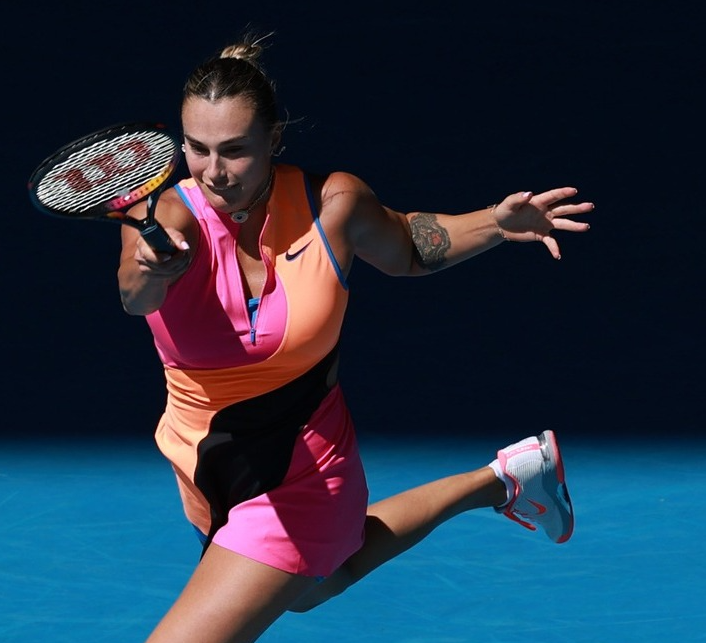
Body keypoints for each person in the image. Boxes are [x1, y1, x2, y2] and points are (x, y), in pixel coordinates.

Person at [116, 33, 593, 643]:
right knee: (314, 588)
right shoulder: (167, 218)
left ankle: (499, 483)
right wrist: (152, 268)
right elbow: (135, 295)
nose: (214, 172)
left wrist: (496, 225)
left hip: (306, 469)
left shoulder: (334, 204)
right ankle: (504, 480)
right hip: (204, 465)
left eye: (235, 150)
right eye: (197, 149)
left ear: (274, 139)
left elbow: (410, 245)